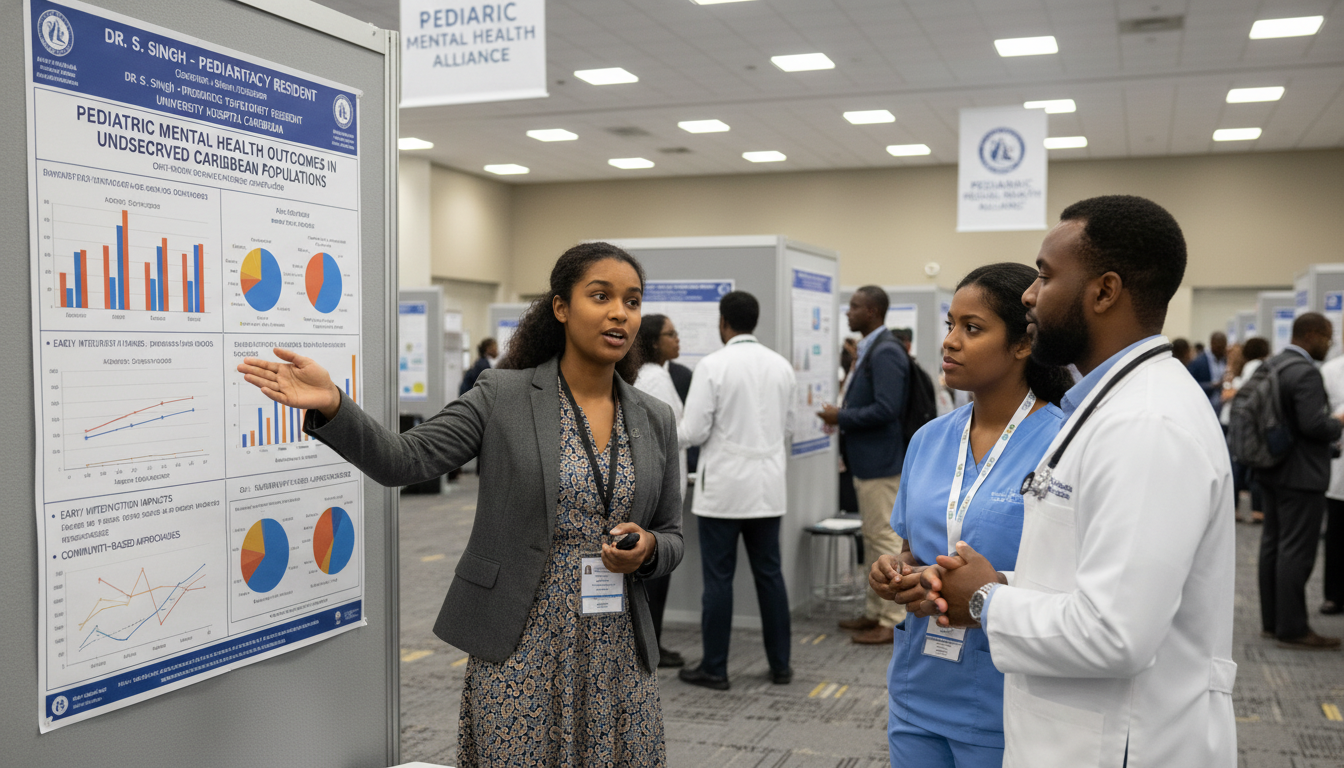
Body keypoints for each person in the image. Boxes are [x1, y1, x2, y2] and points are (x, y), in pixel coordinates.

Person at [238, 242, 684, 766]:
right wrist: (335, 404)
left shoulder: (654, 417)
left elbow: (672, 534)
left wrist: (649, 548)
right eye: (600, 296)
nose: (619, 313)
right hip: (522, 635)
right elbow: (404, 459)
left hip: (616, 645)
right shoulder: (505, 394)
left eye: (631, 302)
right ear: (561, 308)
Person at [922, 195, 1238, 766]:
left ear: (1104, 291)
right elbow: (1093, 575)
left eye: (1044, 276)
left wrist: (988, 600)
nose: (1028, 294)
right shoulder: (1109, 405)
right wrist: (1003, 583)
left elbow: (1116, 633)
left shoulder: (1147, 423)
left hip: (1120, 743)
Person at [869, 263, 1071, 767]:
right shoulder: (929, 439)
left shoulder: (1065, 445)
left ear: (1023, 344)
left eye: (972, 328)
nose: (951, 342)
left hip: (1006, 697)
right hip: (918, 687)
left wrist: (986, 589)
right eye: (950, 326)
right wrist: (897, 572)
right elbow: (912, 551)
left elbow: (1078, 585)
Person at [677, 291, 796, 690]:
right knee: (770, 577)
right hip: (768, 490)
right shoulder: (782, 366)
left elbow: (693, 431)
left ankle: (716, 667)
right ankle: (781, 666)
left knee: (718, 580)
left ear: (723, 322)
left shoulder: (713, 365)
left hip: (724, 491)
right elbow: (789, 429)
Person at [818, 286, 910, 644]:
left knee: (885, 538)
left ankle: (891, 618)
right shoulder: (873, 348)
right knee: (873, 538)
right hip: (869, 461)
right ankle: (875, 611)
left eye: (854, 307)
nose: (848, 313)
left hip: (881, 462)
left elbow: (887, 409)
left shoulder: (885, 351)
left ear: (871, 311)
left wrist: (841, 416)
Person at [1257, 312, 1344, 648]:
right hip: (1301, 474)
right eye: (1327, 336)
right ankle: (1292, 628)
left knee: (1273, 546)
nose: (1331, 343)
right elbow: (1313, 425)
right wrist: (1337, 422)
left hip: (1272, 469)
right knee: (1296, 552)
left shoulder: (1275, 364)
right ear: (1310, 334)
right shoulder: (1306, 372)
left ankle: (1272, 622)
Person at [633, 313, 687, 668]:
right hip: (654, 491)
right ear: (654, 342)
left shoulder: (660, 376)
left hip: (662, 485)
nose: (677, 339)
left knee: (659, 573)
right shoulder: (654, 379)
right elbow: (661, 435)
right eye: (670, 334)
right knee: (655, 575)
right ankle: (649, 644)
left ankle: (653, 641)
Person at [1222, 336, 1271, 523]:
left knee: (1238, 466)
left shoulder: (1247, 369)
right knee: (1248, 467)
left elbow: (1230, 394)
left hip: (1237, 423)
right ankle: (1256, 509)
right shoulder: (1256, 368)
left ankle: (1237, 508)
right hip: (1245, 424)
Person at [1321, 348, 1344, 614]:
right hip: (1337, 469)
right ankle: (1334, 595)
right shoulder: (1330, 371)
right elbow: (1318, 416)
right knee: (1337, 536)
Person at [1188, 331, 1229, 409]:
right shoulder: (1199, 362)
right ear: (1212, 344)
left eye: (1223, 347)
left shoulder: (1226, 360)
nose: (1221, 350)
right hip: (1204, 403)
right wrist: (1211, 385)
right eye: (1219, 347)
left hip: (1222, 404)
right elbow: (1190, 384)